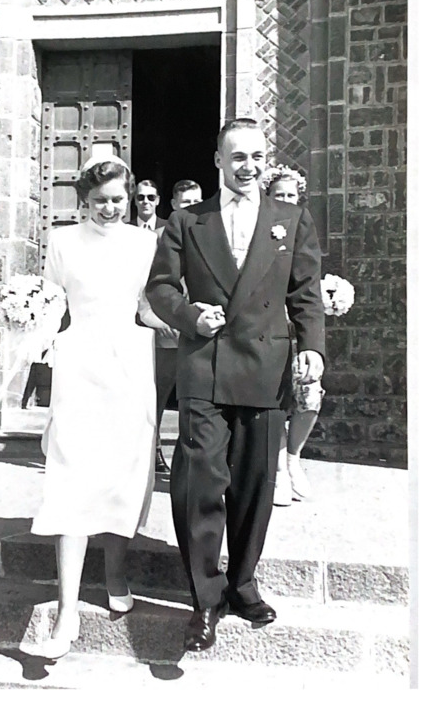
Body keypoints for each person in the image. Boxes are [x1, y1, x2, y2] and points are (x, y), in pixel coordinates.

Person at [146, 118, 325, 653]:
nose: (249, 167)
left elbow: (306, 293)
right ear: (218, 162)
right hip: (205, 365)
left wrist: (312, 347)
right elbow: (158, 287)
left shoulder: (291, 220)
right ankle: (205, 598)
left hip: (264, 370)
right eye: (237, 157)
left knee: (252, 486)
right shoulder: (186, 221)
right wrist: (188, 315)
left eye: (256, 157)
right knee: (198, 485)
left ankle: (242, 584)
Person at [23, 156, 166, 660]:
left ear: (129, 198)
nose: (109, 208)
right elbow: (54, 303)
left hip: (129, 364)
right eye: (99, 200)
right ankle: (66, 613)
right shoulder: (62, 242)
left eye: (117, 199)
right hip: (79, 364)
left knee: (122, 476)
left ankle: (115, 574)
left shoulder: (146, 242)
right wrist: (30, 323)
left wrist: (174, 323)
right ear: (83, 200)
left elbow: (147, 304)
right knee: (71, 476)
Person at [260, 165, 325, 507]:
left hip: (297, 327)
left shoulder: (303, 226)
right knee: (276, 398)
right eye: (278, 195)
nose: (285, 201)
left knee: (309, 395)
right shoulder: (259, 228)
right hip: (269, 325)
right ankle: (278, 469)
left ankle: (293, 457)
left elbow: (307, 279)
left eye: (291, 195)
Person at [151, 180, 204, 475]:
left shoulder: (209, 233)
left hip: (198, 332)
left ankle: (192, 462)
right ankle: (153, 451)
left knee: (195, 399)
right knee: (157, 396)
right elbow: (145, 285)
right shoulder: (157, 238)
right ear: (173, 205)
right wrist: (159, 320)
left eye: (196, 201)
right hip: (166, 333)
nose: (191, 208)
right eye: (186, 203)